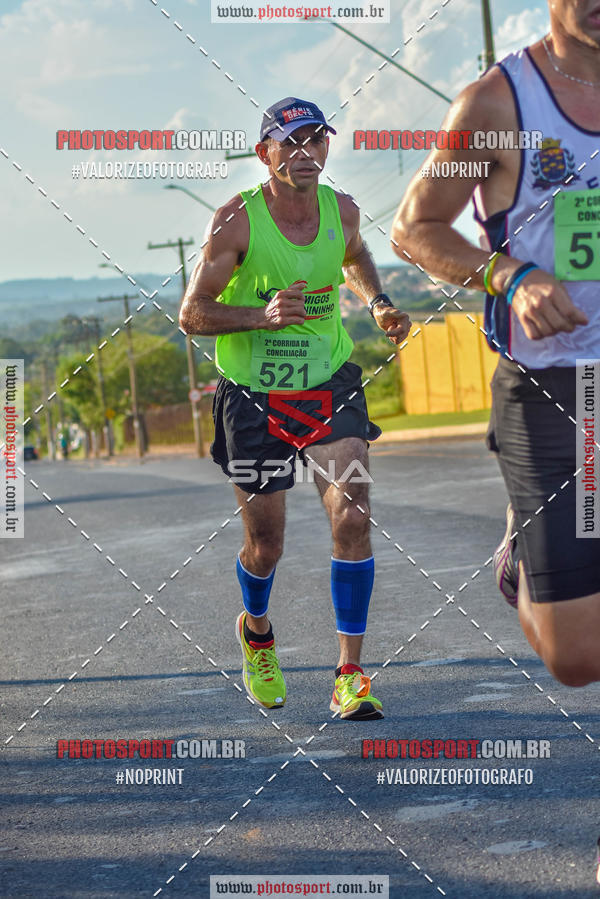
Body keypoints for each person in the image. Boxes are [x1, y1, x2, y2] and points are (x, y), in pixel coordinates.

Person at [391, 1, 600, 687]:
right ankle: (524, 560)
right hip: (557, 386)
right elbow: (415, 227)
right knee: (577, 658)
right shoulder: (496, 102)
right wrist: (510, 275)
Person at [180, 97, 411, 718]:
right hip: (253, 401)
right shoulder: (236, 223)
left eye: (317, 140)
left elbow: (356, 256)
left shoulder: (343, 211)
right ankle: (256, 632)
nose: (308, 153)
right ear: (266, 154)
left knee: (353, 514)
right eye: (293, 142)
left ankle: (351, 674)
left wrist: (380, 300)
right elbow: (191, 313)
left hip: (329, 388)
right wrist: (260, 315)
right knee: (267, 544)